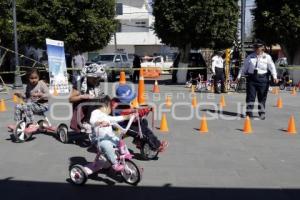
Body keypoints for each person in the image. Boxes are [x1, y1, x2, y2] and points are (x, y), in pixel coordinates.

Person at [111, 84, 168, 152]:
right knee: (143, 132)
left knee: (144, 122)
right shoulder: (119, 107)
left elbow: (132, 110)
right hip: (124, 127)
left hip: (126, 121)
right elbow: (133, 113)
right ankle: (157, 146)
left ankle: (138, 141)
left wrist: (142, 109)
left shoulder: (116, 101)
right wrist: (145, 110)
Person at [236, 41, 278, 120]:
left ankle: (261, 113)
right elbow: (244, 67)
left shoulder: (267, 57)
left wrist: (274, 76)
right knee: (250, 97)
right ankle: (249, 113)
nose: (256, 49)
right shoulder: (250, 57)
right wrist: (238, 76)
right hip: (252, 79)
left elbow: (272, 67)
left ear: (262, 48)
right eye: (255, 47)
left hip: (263, 78)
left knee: (262, 97)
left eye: (258, 47)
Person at [90, 95, 133, 171]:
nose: (111, 109)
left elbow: (115, 119)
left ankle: (125, 154)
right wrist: (99, 122)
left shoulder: (106, 116)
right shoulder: (96, 112)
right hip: (99, 140)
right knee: (107, 146)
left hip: (110, 137)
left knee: (120, 142)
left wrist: (128, 116)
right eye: (110, 106)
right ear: (105, 106)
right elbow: (92, 121)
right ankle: (115, 164)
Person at [8, 68, 49, 133]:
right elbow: (27, 98)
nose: (34, 80)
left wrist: (40, 94)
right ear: (28, 78)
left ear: (39, 77)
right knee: (18, 106)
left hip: (42, 105)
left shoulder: (41, 84)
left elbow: (48, 94)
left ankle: (32, 124)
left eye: (36, 78)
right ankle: (18, 124)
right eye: (31, 78)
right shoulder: (28, 85)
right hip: (32, 104)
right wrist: (20, 95)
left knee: (28, 105)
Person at [69, 64, 106, 133]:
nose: (97, 79)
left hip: (92, 107)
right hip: (81, 108)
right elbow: (70, 99)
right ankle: (86, 122)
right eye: (95, 78)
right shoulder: (80, 84)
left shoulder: (96, 83)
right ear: (89, 76)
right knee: (92, 100)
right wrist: (82, 96)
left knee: (107, 99)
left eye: (98, 78)